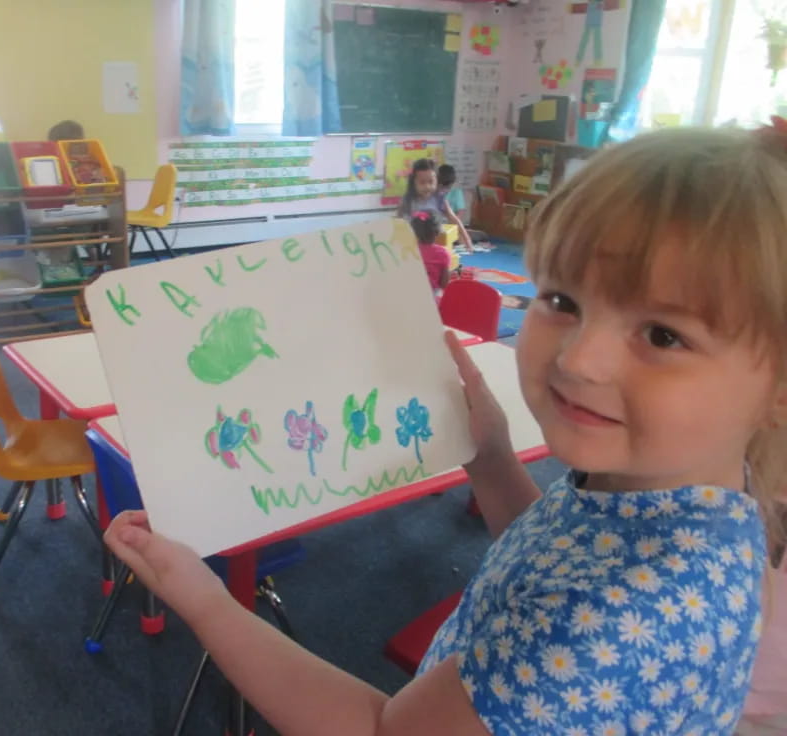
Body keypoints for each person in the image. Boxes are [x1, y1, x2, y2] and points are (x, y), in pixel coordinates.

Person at [104, 123, 787, 735]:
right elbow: (552, 551)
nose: (580, 359)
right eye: (561, 299)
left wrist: (203, 596)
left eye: (663, 335)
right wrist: (489, 457)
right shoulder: (682, 492)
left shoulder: (601, 625)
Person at [397, 158, 473, 253]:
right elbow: (398, 223)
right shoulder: (408, 200)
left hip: (435, 244)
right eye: (422, 182)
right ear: (414, 182)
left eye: (431, 182)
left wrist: (467, 240)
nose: (427, 186)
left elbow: (454, 219)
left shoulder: (439, 198)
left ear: (436, 180)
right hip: (413, 246)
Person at [410, 210, 451, 299]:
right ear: (437, 232)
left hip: (410, 294)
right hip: (431, 298)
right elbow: (444, 284)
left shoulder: (409, 250)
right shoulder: (442, 253)